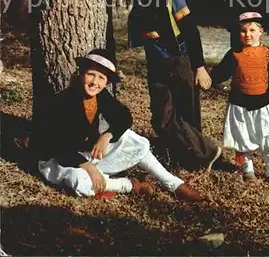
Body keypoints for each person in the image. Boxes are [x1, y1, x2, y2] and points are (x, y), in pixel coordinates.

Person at [96, 0, 222, 171]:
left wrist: (199, 67)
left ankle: (190, 161)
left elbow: (191, 32)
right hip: (157, 65)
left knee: (187, 114)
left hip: (181, 61)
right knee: (162, 118)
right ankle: (209, 150)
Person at [36, 49, 205, 201]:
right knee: (80, 181)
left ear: (106, 82)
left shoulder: (100, 96)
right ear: (81, 74)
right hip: (59, 160)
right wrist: (90, 169)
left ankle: (173, 184)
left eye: (101, 78)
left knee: (133, 140)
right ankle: (128, 185)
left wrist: (107, 135)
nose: (95, 82)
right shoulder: (63, 101)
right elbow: (58, 145)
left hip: (86, 152)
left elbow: (124, 117)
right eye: (91, 74)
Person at [211, 12, 269, 184]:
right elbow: (221, 73)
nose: (248, 35)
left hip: (263, 104)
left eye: (252, 30)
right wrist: (207, 80)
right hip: (239, 104)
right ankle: (248, 169)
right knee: (242, 137)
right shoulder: (235, 53)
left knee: (268, 137)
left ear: (261, 31)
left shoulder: (267, 53)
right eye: (243, 31)